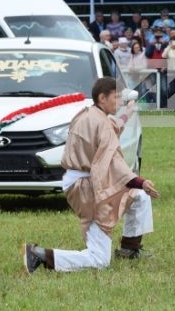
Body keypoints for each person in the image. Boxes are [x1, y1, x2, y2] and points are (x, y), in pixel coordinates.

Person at [23, 77, 160, 273]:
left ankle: (129, 249)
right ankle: (40, 255)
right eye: (116, 97)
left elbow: (110, 131)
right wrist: (139, 181)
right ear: (102, 97)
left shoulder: (89, 114)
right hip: (87, 187)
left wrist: (127, 113)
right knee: (99, 260)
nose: (120, 101)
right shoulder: (99, 121)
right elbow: (111, 160)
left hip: (83, 181)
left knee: (139, 198)